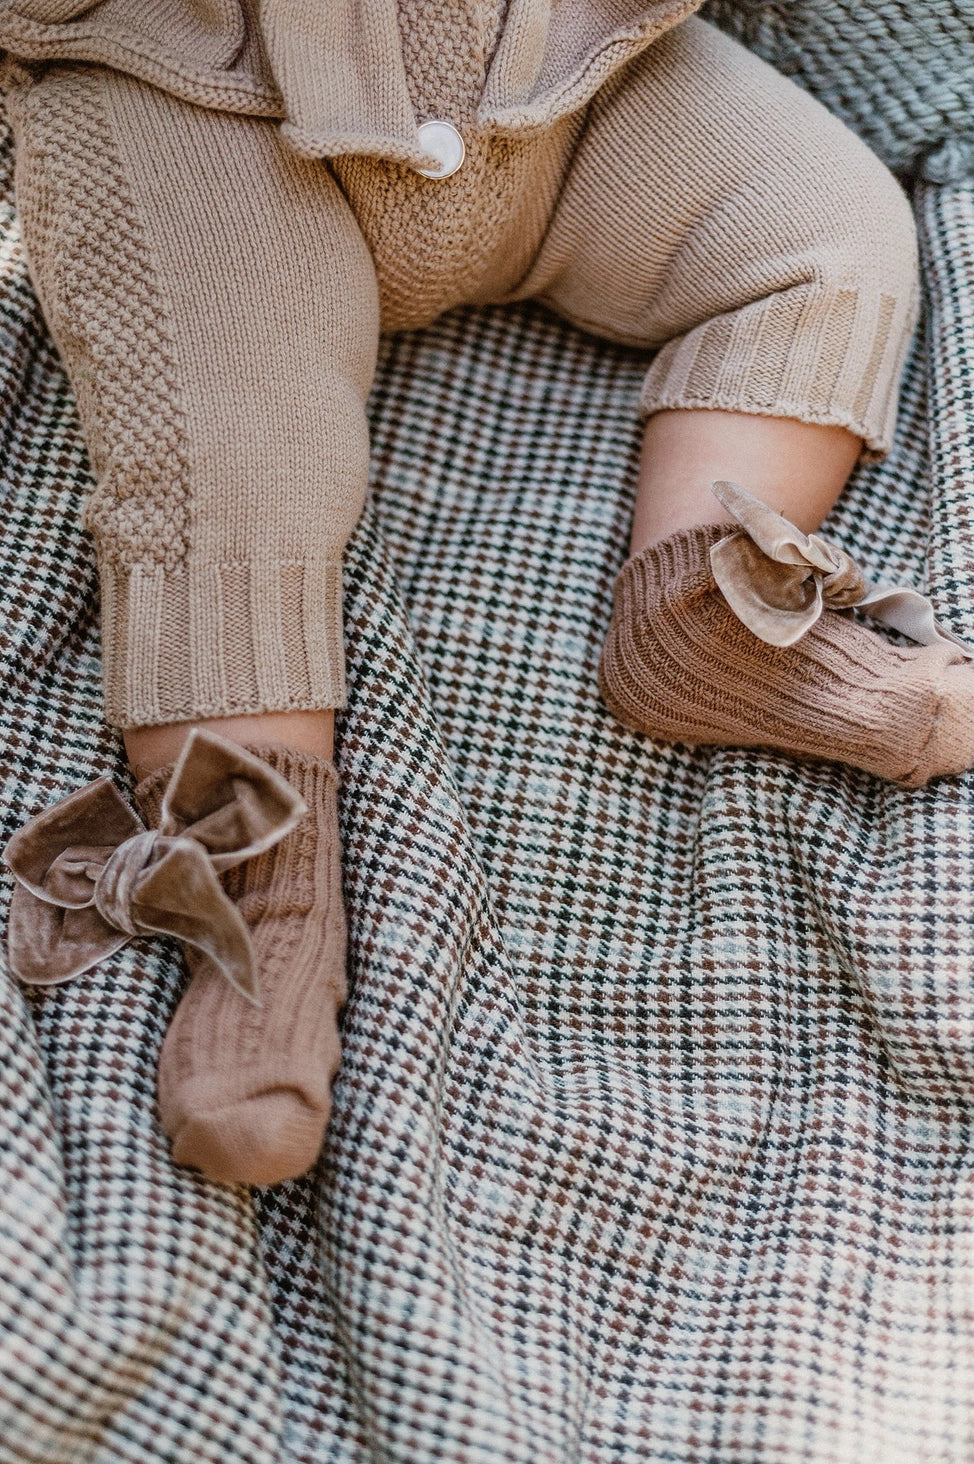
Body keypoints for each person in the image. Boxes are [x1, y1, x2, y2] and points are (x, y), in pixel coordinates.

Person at [1, 1, 971, 1188]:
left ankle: (707, 607)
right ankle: (262, 882)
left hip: (561, 75)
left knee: (825, 236)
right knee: (230, 457)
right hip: (209, 94)